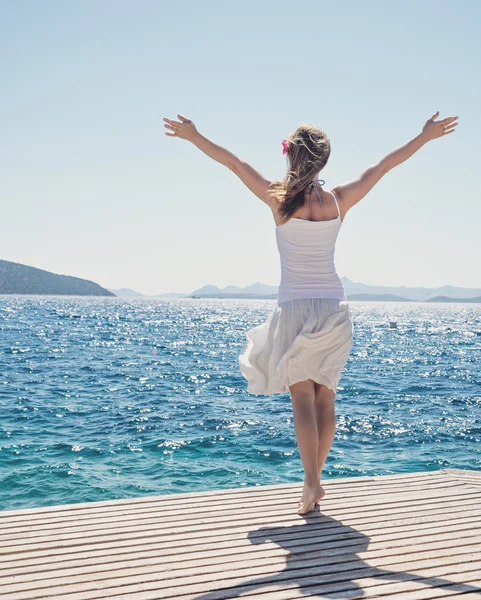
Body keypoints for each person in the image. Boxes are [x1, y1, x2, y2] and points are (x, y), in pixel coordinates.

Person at [163, 111, 459, 515]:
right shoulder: (338, 200)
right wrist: (424, 137)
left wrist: (194, 136)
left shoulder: (279, 198)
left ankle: (311, 485)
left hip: (296, 307)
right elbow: (384, 166)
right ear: (323, 160)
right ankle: (313, 486)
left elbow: (233, 163)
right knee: (325, 399)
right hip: (335, 308)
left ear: (291, 157)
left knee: (302, 398)